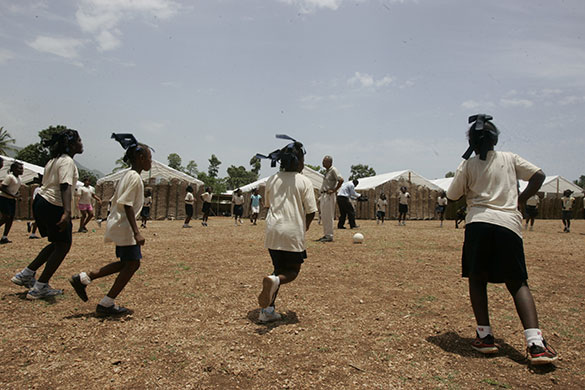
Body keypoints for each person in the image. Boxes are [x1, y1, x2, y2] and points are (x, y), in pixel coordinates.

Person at [447, 114, 557, 365]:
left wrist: (466, 168)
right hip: (508, 224)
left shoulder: (468, 165)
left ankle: (485, 337)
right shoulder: (510, 158)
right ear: (495, 139)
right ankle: (535, 343)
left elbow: (452, 196)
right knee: (517, 282)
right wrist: (521, 199)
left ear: (471, 142)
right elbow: (539, 175)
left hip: (478, 224)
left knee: (477, 279)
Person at [69, 133, 151, 316]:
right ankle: (106, 304)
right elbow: (127, 204)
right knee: (132, 265)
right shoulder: (134, 177)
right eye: (149, 158)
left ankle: (84, 278)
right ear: (140, 158)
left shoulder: (128, 175)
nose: (151, 162)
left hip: (120, 223)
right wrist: (137, 232)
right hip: (125, 226)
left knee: (127, 263)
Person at [11, 130, 83, 299]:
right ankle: (40, 287)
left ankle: (26, 274)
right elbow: (65, 185)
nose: (81, 143)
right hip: (53, 204)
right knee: (63, 245)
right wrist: (66, 211)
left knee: (57, 243)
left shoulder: (53, 160)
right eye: (79, 140)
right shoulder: (66, 161)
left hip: (42, 201)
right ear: (71, 144)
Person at [256, 135, 317, 322]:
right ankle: (275, 282)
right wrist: (304, 228)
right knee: (292, 271)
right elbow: (311, 210)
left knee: (277, 268)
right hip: (292, 232)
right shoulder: (304, 181)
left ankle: (267, 312)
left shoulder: (272, 179)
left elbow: (267, 204)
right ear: (298, 162)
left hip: (273, 232)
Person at [317, 156, 343, 242]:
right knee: (324, 216)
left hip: (329, 195)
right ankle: (326, 234)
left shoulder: (333, 170)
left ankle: (329, 235)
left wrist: (334, 190)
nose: (322, 163)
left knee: (328, 216)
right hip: (324, 194)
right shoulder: (327, 171)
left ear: (330, 162)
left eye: (324, 161)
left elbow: (341, 180)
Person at [0, 161, 24, 244]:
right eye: (19, 169)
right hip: (4, 198)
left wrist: (17, 195)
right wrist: (13, 196)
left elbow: (15, 190)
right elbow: (2, 187)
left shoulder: (19, 179)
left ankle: (4, 237)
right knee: (6, 217)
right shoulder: (10, 177)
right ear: (13, 169)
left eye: (22, 169)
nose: (22, 170)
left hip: (11, 200)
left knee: (10, 218)